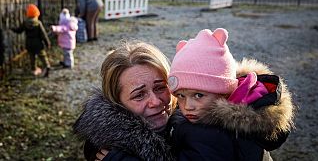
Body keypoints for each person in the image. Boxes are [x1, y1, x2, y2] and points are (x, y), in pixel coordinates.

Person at [167, 28, 295, 160]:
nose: (187, 106)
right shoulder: (241, 123)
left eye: (198, 95)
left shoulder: (207, 137)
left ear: (224, 93)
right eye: (181, 95)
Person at [73, 42, 176, 161]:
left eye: (160, 87)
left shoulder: (195, 114)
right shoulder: (106, 152)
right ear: (117, 103)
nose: (156, 102)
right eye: (139, 95)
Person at [11, 4, 51, 77]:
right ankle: (47, 66)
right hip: (38, 43)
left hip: (29, 43)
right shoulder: (38, 23)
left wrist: (13, 29)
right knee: (42, 55)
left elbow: (19, 30)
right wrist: (47, 43)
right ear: (37, 13)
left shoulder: (25, 23)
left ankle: (34, 69)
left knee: (32, 57)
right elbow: (43, 34)